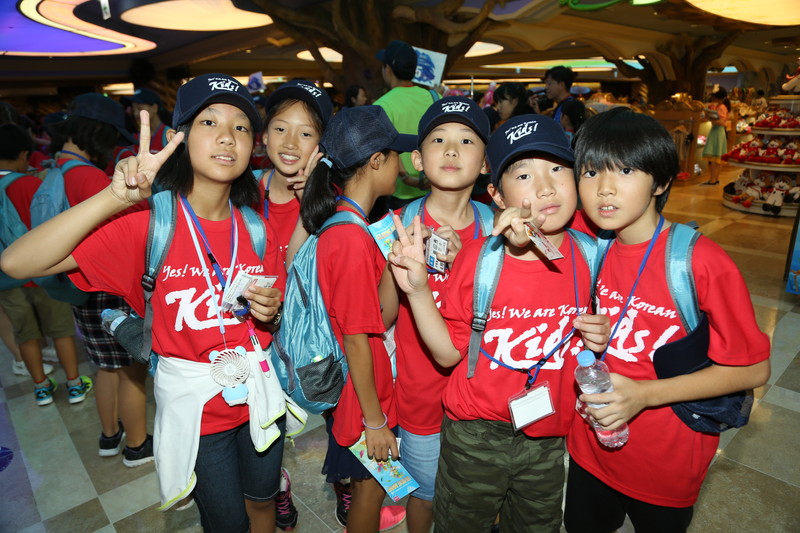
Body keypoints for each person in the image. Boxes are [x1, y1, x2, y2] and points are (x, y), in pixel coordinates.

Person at [1, 73, 289, 532]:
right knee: (227, 523)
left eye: (240, 126)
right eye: (209, 122)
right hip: (197, 418)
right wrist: (113, 197)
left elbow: (266, 317)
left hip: (259, 398)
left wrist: (269, 312)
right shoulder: (148, 226)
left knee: (263, 503)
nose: (226, 136)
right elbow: (17, 262)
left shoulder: (256, 228)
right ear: (179, 138)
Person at [387, 114, 610, 532]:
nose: (545, 187)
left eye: (557, 169)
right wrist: (417, 291)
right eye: (524, 175)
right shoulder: (478, 258)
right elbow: (448, 353)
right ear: (497, 195)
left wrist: (604, 333)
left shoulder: (593, 254)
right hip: (475, 435)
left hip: (548, 433)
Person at [565, 107, 771, 533]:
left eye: (625, 170)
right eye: (590, 172)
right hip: (590, 449)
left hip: (667, 461)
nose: (604, 188)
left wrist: (644, 394)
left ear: (660, 182)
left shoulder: (699, 262)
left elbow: (753, 368)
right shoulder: (588, 241)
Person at [301, 105, 416, 533]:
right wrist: (375, 421)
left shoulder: (354, 226)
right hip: (363, 394)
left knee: (373, 488)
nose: (402, 166)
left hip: (368, 384)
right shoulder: (348, 236)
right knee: (369, 492)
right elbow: (354, 336)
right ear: (376, 161)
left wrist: (394, 260)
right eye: (396, 156)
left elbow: (379, 316)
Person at [382, 96, 492, 533]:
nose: (451, 150)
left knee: (477, 495)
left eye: (466, 140)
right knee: (424, 493)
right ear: (417, 159)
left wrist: (469, 259)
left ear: (485, 163)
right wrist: (396, 263)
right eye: (438, 139)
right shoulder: (393, 224)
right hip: (421, 398)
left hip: (483, 398)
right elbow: (381, 318)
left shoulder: (496, 228)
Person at [51, 93, 154, 466]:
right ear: (97, 133)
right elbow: (129, 228)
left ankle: (110, 436)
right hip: (109, 287)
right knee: (130, 372)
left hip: (81, 287)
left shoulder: (57, 169)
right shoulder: (91, 177)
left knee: (105, 367)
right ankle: (138, 445)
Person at [0, 123, 85, 406]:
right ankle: (74, 384)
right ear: (23, 155)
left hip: (6, 281)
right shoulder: (30, 185)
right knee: (61, 331)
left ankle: (41, 388)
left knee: (25, 334)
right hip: (42, 275)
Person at [260, 80, 331, 264]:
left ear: (320, 144)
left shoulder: (331, 202)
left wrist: (309, 204)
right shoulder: (241, 189)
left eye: (305, 134)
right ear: (265, 136)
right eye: (280, 129)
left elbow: (297, 271)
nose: (291, 143)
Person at [373, 40, 440, 210]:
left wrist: (407, 178)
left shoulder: (381, 106)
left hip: (399, 194)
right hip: (435, 189)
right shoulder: (435, 98)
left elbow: (382, 150)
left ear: (388, 69)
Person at [701, 87, 730, 186]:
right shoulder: (721, 106)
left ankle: (712, 180)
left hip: (717, 131)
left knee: (714, 157)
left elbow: (721, 122)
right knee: (717, 157)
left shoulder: (721, 107)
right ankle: (715, 179)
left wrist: (710, 118)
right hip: (718, 132)